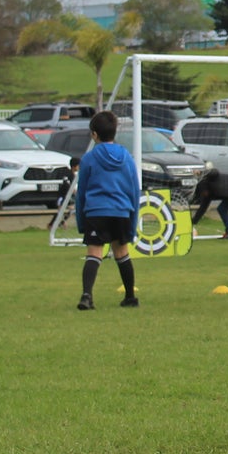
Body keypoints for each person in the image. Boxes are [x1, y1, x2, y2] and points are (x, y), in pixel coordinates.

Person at [74, 110, 143, 311]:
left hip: (96, 211)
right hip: (121, 210)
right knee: (122, 252)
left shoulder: (89, 159)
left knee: (94, 253)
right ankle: (130, 296)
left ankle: (87, 296)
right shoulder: (126, 157)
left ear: (94, 134)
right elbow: (133, 190)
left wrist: (81, 221)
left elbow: (82, 193)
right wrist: (132, 219)